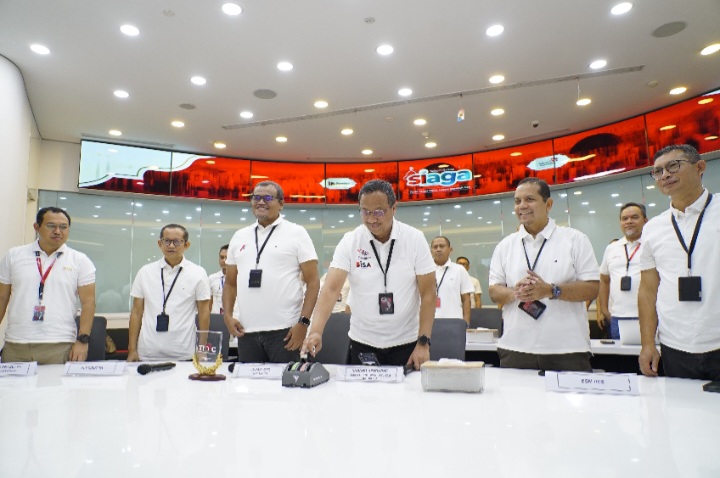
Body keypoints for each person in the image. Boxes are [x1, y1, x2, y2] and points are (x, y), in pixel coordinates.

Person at [302, 179, 436, 370]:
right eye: (365, 211)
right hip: (362, 342)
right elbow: (331, 289)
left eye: (379, 212)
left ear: (394, 208)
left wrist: (423, 342)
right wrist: (316, 330)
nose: (372, 219)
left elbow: (428, 293)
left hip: (407, 343)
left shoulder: (414, 239)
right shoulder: (351, 241)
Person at [488, 177, 599, 372]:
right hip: (515, 348)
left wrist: (550, 290)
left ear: (548, 204)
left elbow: (592, 289)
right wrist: (516, 292)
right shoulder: (505, 246)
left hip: (567, 349)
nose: (522, 206)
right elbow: (494, 292)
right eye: (517, 201)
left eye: (529, 199)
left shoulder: (575, 240)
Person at [638, 144, 720, 380]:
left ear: (700, 167)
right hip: (674, 345)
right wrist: (647, 343)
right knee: (680, 405)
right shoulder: (653, 228)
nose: (665, 175)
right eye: (658, 171)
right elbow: (648, 290)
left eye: (673, 166)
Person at [222, 181, 320, 363]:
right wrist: (227, 316)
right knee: (249, 382)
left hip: (286, 331)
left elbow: (313, 282)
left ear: (281, 204)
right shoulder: (239, 236)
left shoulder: (297, 233)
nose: (261, 202)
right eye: (256, 197)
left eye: (267, 198)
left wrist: (303, 323)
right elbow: (230, 283)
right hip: (246, 331)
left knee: (286, 381)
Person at [0, 207, 96, 364]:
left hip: (59, 344)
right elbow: (2, 298)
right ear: (36, 227)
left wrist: (82, 341)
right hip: (16, 343)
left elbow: (88, 303)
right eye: (51, 226)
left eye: (63, 227)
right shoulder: (14, 256)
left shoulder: (80, 260)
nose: (57, 231)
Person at [127, 224, 211, 361]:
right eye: (167, 241)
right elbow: (136, 312)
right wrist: (132, 350)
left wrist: (202, 349)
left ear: (186, 245)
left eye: (177, 242)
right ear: (159, 243)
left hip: (183, 353)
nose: (171, 246)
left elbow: (204, 313)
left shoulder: (198, 273)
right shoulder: (145, 272)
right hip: (148, 352)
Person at [597, 203, 648, 340]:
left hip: (648, 316)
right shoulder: (612, 248)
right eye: (624, 218)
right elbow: (604, 280)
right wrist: (604, 310)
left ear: (645, 221)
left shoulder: (652, 245)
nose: (629, 221)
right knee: (620, 353)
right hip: (617, 318)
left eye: (634, 217)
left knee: (650, 353)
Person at [431, 237, 474, 324]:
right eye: (435, 247)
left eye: (442, 246)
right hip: (428, 322)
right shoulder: (424, 270)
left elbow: (466, 299)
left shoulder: (459, 270)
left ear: (450, 250)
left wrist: (466, 323)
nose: (438, 249)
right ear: (431, 251)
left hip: (453, 321)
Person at [208, 244, 229, 314]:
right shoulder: (212, 278)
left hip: (235, 318)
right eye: (221, 257)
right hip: (216, 317)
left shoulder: (240, 279)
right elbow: (209, 304)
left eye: (227, 258)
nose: (224, 260)